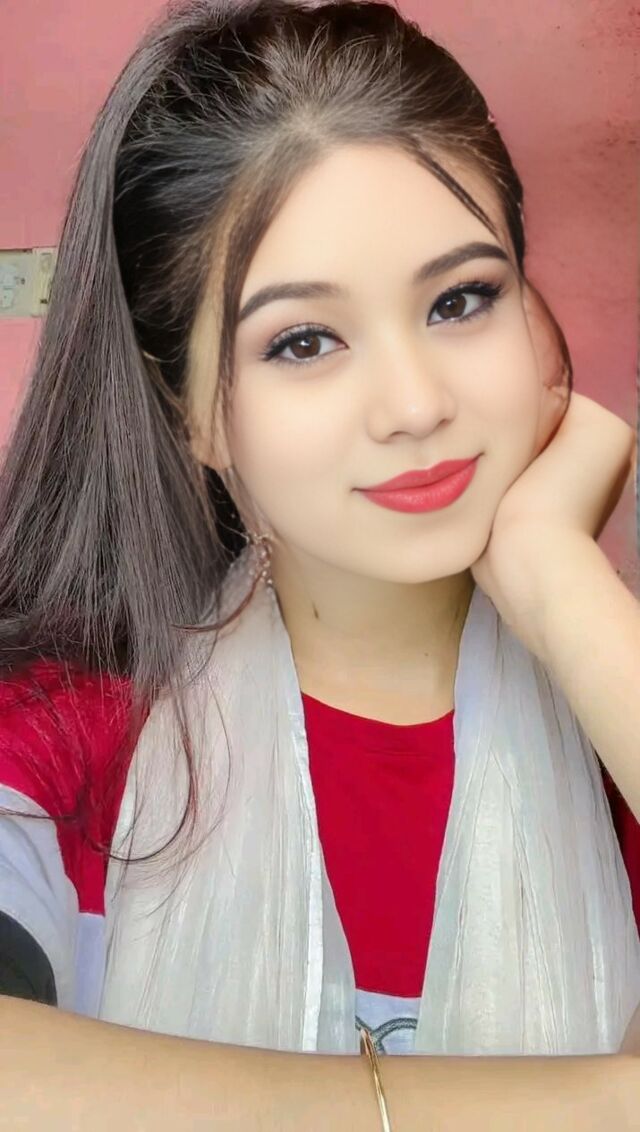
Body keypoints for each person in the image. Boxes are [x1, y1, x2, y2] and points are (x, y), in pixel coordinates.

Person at [0, 0, 638, 1127]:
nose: (414, 405)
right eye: (303, 340)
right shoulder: (65, 743)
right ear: (190, 411)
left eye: (461, 300)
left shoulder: (616, 716)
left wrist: (560, 581)